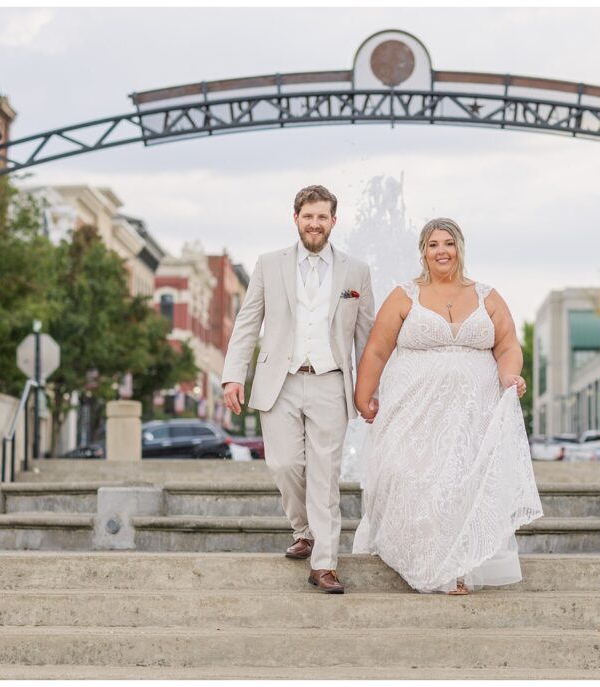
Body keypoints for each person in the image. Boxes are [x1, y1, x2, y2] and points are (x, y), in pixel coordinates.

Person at [351, 217, 542, 595]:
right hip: (413, 410)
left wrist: (509, 376)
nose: (442, 250)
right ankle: (417, 557)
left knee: (461, 483)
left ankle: (456, 567)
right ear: (423, 250)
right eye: (434, 244)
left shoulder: (487, 295)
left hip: (473, 413)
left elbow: (507, 345)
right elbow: (377, 348)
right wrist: (363, 394)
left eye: (448, 243)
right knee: (410, 477)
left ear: (460, 248)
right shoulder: (405, 295)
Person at [221, 185, 375, 594]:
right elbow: (248, 323)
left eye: (322, 216)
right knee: (284, 465)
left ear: (333, 222)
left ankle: (324, 563)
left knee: (325, 476)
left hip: (330, 381)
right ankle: (304, 530)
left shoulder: (355, 272)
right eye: (308, 216)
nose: (315, 223)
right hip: (280, 381)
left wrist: (371, 388)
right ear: (296, 219)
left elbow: (367, 336)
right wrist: (232, 375)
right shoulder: (269, 265)